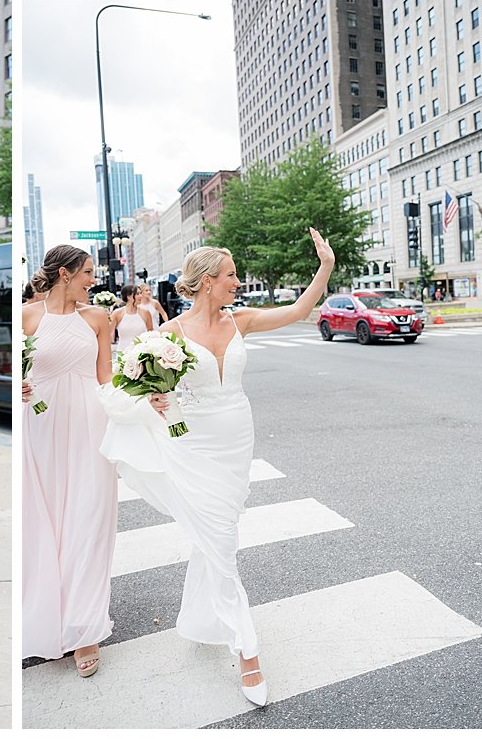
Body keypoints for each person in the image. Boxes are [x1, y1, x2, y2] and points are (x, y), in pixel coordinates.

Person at [97, 228, 336, 707]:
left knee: (219, 535)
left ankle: (201, 620)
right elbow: (128, 388)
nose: (237, 282)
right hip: (192, 444)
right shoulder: (168, 335)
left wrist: (325, 266)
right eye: (230, 275)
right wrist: (156, 399)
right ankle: (247, 652)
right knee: (220, 545)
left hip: (237, 437)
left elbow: (298, 311)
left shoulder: (241, 320)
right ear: (207, 280)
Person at [22, 245, 117, 678]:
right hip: (41, 429)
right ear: (65, 274)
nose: (93, 280)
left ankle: (84, 629)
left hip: (90, 427)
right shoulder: (26, 316)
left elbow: (106, 378)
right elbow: (16, 370)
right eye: (88, 273)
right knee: (47, 523)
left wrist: (143, 402)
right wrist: (19, 388)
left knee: (88, 519)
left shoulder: (98, 319)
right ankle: (49, 615)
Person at [110, 284, 155, 353]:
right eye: (137, 294)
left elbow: (151, 333)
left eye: (140, 293)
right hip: (123, 352)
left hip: (141, 353)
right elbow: (108, 333)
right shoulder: (117, 313)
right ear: (128, 296)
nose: (141, 296)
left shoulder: (145, 313)